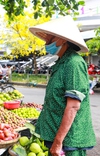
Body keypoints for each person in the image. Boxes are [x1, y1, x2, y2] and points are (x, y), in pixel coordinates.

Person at [29, 15, 96, 156]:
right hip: (55, 135)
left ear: (62, 39)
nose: (46, 42)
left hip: (69, 141)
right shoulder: (61, 62)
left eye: (49, 38)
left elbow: (73, 106)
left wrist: (58, 141)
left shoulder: (73, 63)